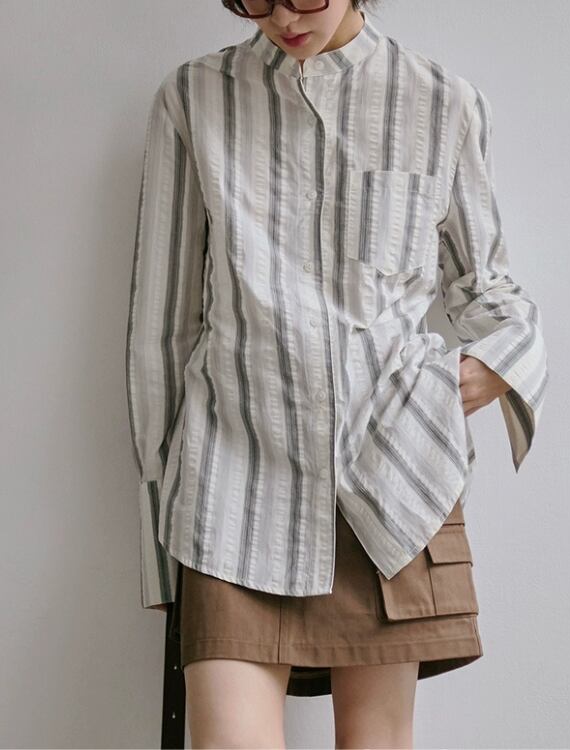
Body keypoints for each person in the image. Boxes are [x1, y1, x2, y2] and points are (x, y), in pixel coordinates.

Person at [125, 0, 548, 746]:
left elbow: (490, 292)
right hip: (232, 487)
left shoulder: (440, 101)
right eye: (256, 0)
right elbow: (162, 330)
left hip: (394, 482)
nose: (282, 18)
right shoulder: (194, 97)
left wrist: (492, 367)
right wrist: (162, 547)